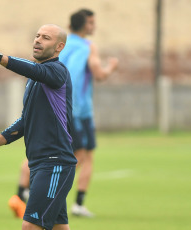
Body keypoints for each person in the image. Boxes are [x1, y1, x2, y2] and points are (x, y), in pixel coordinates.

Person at [0, 24, 77, 230]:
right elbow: (26, 119)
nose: (37, 40)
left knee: (30, 226)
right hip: (39, 164)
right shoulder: (35, 79)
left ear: (59, 47)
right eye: (37, 36)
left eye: (45, 37)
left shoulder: (57, 72)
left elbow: (33, 69)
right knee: (58, 227)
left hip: (54, 163)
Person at [59, 9, 119, 217]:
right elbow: (99, 74)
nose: (94, 26)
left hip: (62, 108)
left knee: (81, 155)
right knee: (81, 155)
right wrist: (111, 67)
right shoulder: (88, 47)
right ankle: (61, 196)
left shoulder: (61, 45)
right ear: (85, 25)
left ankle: (76, 203)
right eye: (92, 23)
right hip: (78, 110)